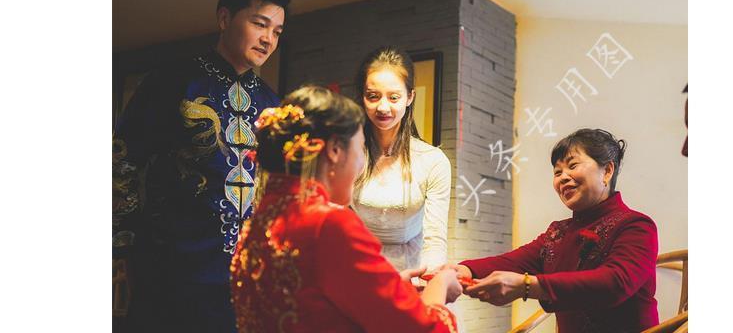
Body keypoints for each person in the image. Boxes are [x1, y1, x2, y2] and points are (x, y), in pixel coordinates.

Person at [112, 0, 290, 332]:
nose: (268, 39)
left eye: (277, 31)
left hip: (246, 276)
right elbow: (122, 161)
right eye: (259, 24)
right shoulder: (173, 82)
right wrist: (124, 248)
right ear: (224, 19)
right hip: (171, 269)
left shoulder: (272, 103)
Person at [230, 86, 461, 333]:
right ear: (334, 151)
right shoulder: (329, 225)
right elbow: (423, 328)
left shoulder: (260, 221)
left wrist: (388, 289)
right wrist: (440, 285)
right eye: (360, 148)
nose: (361, 164)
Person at [438, 129, 659, 333]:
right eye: (557, 172)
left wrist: (528, 286)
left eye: (572, 166)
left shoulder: (636, 226)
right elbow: (513, 262)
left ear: (607, 171)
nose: (563, 177)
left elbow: (614, 283)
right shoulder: (559, 232)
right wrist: (464, 270)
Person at [351, 46, 452, 272]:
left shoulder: (433, 161)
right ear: (362, 97)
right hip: (358, 268)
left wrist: (430, 282)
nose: (383, 107)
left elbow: (435, 241)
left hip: (411, 271)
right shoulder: (349, 154)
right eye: (373, 96)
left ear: (410, 97)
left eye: (394, 97)